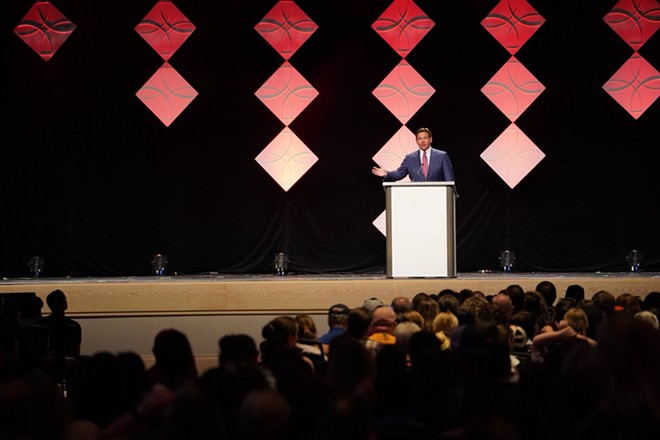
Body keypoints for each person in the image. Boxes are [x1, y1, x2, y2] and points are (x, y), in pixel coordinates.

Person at [371, 127, 455, 182]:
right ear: (416, 141)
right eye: (419, 139)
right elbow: (399, 174)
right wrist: (386, 173)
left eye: (425, 138)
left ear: (430, 139)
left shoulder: (442, 156)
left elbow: (449, 179)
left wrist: (451, 195)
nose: (422, 141)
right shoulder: (409, 158)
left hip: (438, 197)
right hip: (416, 197)